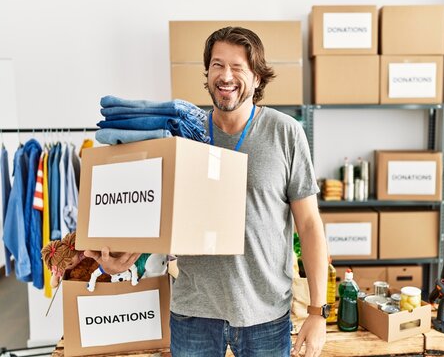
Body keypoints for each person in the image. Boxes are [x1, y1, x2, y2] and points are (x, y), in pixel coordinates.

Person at [84, 26, 328, 357]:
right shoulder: (181, 135)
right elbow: (154, 214)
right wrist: (124, 260)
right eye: (217, 65)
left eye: (237, 67)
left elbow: (310, 225)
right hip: (193, 313)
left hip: (265, 315)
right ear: (207, 73)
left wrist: (317, 312)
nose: (225, 76)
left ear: (257, 78)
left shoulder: (285, 132)